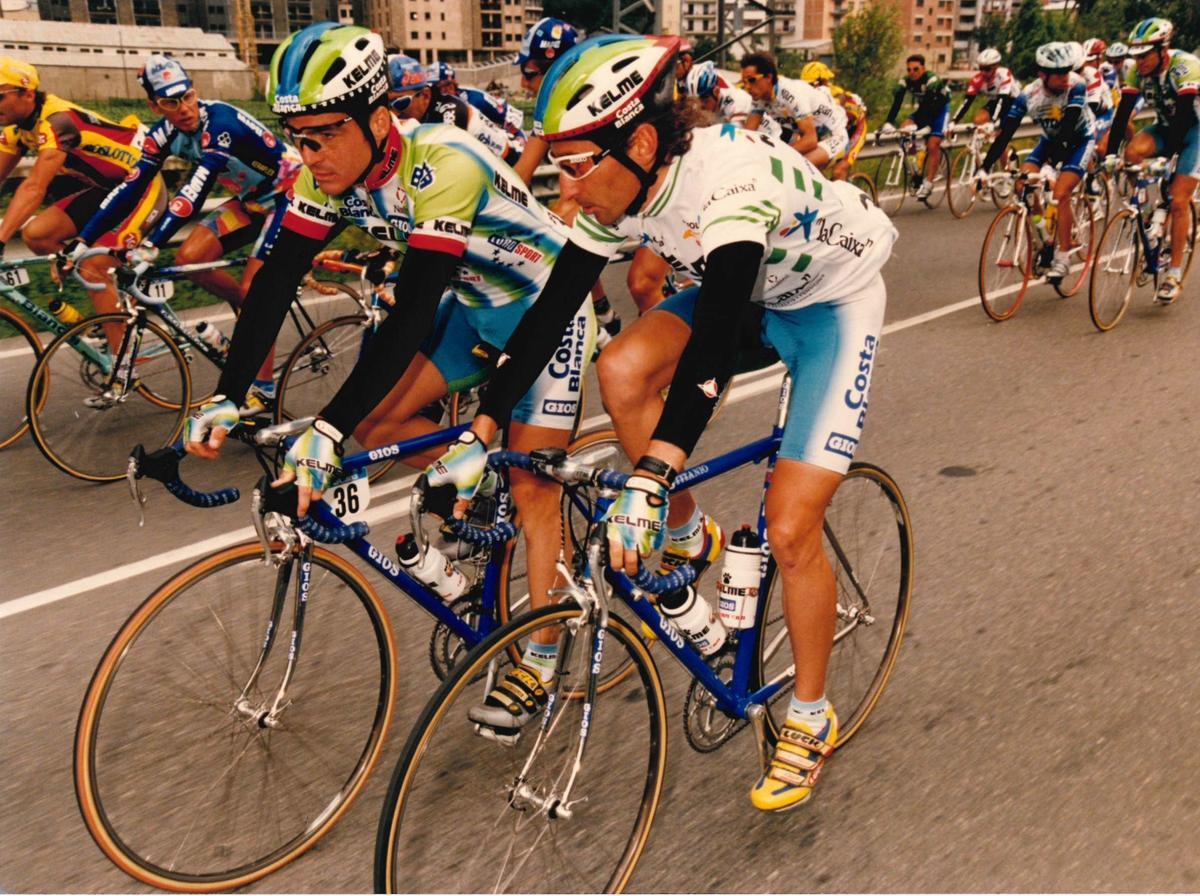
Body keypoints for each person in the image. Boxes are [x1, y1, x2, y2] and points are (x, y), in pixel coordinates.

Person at [425, 34, 898, 812]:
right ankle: (688, 533)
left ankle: (810, 716)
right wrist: (480, 431)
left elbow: (711, 349)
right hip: (748, 290)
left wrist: (648, 475)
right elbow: (548, 315)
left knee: (789, 526)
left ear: (640, 141)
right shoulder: (628, 189)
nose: (565, 190)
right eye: (558, 167)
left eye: (576, 164)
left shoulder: (729, 184)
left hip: (830, 305)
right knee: (621, 369)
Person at [69, 54, 302, 415]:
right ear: (154, 105)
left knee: (254, 292)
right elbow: (130, 187)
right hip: (252, 199)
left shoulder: (219, 122)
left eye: (188, 96)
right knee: (190, 260)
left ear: (195, 92)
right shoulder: (163, 134)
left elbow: (194, 193)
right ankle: (251, 319)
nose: (184, 108)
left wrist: (151, 245)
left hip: (290, 195)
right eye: (171, 102)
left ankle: (264, 388)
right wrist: (84, 238)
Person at [0, 56, 165, 364]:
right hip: (105, 191)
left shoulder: (57, 121)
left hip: (141, 186)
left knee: (92, 265)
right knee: (37, 235)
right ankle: (113, 307)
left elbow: (34, 187)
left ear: (27, 93)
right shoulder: (16, 128)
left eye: (0, 96)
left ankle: (124, 364)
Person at [976, 42, 1097, 285]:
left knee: (1061, 192)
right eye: (1059, 73)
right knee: (1023, 185)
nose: (1066, 76)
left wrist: (1052, 165)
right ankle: (1045, 238)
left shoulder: (1076, 86)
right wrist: (983, 169)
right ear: (1043, 74)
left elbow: (1067, 129)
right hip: (1050, 141)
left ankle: (1063, 258)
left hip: (1079, 141)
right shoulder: (1028, 95)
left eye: (1067, 70)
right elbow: (1005, 134)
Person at [1105, 17, 1199, 303]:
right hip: (1165, 126)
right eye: (1136, 55)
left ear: (1162, 50)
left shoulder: (1185, 66)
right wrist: (1111, 153)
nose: (1139, 61)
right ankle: (1146, 210)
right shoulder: (1135, 72)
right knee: (1132, 152)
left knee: (1179, 200)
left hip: (1194, 129)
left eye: (1145, 55)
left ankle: (1173, 273)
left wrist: (1168, 158)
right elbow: (1123, 114)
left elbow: (1184, 115)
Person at [740, 51, 848, 171]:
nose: (747, 87)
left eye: (752, 80)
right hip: (808, 136)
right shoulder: (759, 98)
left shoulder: (790, 94)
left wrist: (779, 154)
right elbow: (748, 135)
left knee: (797, 167)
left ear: (769, 77)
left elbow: (811, 140)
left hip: (833, 135)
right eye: (744, 82)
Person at [879, 54, 952, 202]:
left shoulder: (932, 80)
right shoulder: (906, 81)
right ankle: (916, 171)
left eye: (916, 69)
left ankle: (929, 183)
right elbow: (897, 103)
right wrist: (888, 122)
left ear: (923, 68)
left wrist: (925, 126)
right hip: (923, 110)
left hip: (939, 110)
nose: (912, 73)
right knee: (904, 130)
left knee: (932, 144)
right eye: (909, 70)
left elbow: (930, 107)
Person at [800, 61, 868, 182]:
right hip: (833, 132)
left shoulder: (833, 94)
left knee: (838, 171)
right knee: (814, 170)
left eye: (810, 85)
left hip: (855, 128)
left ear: (822, 82)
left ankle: (845, 199)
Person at [951, 48, 1021, 128]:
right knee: (978, 121)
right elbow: (967, 102)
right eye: (981, 68)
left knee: (1000, 129)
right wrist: (954, 121)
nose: (983, 72)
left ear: (996, 66)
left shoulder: (1003, 75)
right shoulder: (977, 79)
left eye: (987, 69)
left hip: (1014, 101)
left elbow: (1002, 100)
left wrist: (993, 122)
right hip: (996, 100)